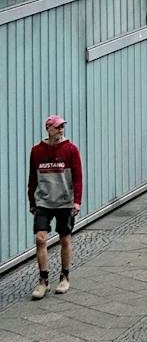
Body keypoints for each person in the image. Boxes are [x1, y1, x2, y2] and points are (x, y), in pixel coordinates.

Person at [26, 112, 81, 298]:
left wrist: (77, 201)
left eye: (62, 126)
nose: (61, 129)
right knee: (40, 239)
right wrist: (32, 201)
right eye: (57, 127)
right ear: (48, 129)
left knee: (65, 239)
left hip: (65, 202)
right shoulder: (36, 151)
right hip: (44, 202)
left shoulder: (71, 150)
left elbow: (78, 177)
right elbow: (32, 178)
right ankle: (43, 281)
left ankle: (65, 277)